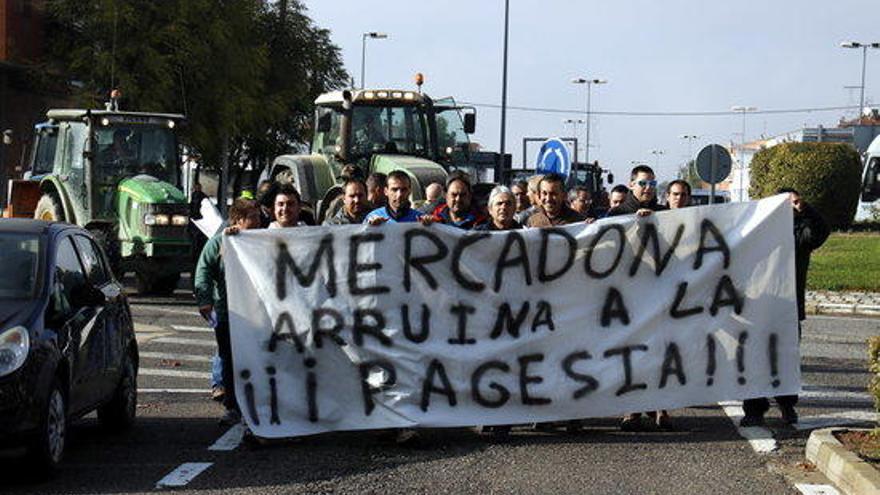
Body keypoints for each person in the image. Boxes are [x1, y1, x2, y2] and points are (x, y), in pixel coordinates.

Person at [740, 188, 830, 427]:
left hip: (788, 309)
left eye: (791, 204)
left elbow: (820, 233)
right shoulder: (757, 232)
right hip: (758, 307)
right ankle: (754, 409)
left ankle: (787, 405)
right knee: (755, 359)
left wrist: (804, 208)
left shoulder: (800, 232)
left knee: (785, 359)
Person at [194, 199, 262, 425]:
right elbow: (203, 271)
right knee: (230, 359)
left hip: (259, 314)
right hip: (228, 314)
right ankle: (232, 405)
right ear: (238, 220)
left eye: (258, 217)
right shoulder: (219, 243)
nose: (258, 221)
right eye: (253, 217)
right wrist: (205, 301)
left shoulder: (263, 242)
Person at [364, 170, 432, 225]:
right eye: (394, 190)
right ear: (386, 191)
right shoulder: (373, 217)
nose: (399, 194)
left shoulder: (420, 220)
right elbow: (360, 240)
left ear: (410, 191)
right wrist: (370, 228)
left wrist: (431, 228)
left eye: (404, 190)